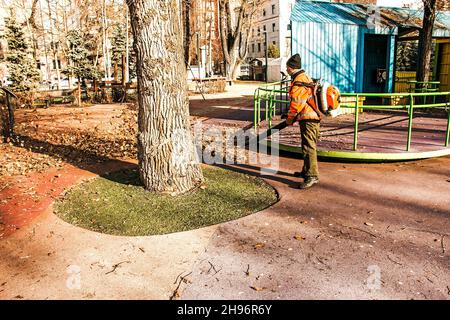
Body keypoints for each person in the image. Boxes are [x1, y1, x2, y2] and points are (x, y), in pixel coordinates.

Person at [285, 53, 321, 189]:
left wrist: (289, 119)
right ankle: (306, 171)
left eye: (287, 67)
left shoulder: (299, 80)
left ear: (291, 68)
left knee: (308, 147)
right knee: (307, 145)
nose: (287, 70)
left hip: (309, 118)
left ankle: (312, 176)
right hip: (311, 117)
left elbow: (297, 103)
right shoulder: (304, 77)